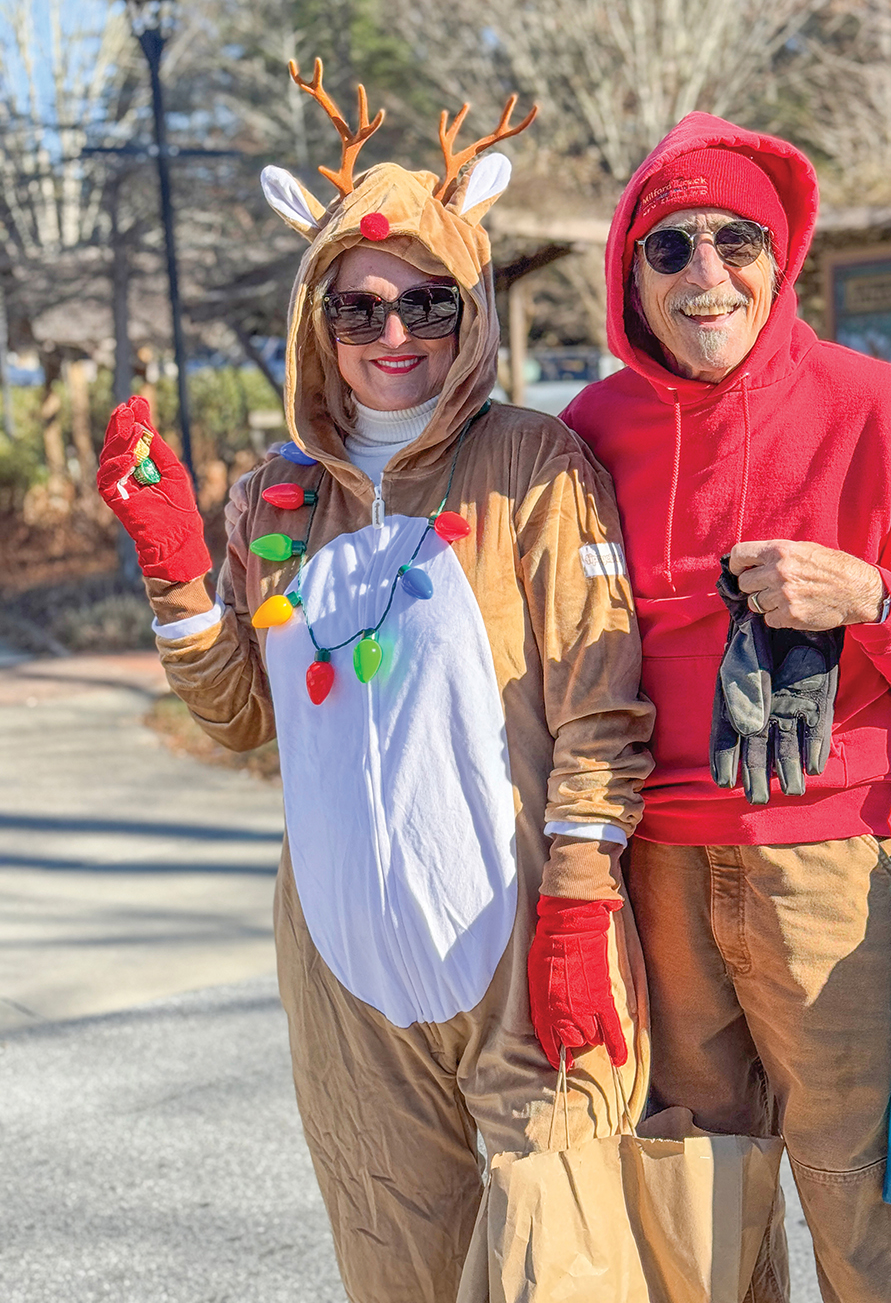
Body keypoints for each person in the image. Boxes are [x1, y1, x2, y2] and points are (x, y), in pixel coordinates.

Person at [97, 63, 655, 1303]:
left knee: (555, 1270)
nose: (394, 336)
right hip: (347, 979)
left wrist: (576, 907)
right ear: (316, 320)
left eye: (430, 305)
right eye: (358, 310)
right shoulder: (278, 497)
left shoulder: (532, 463)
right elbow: (245, 719)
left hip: (527, 957)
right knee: (396, 1273)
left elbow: (603, 701)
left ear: (474, 314)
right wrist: (180, 571)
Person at [561, 113, 891, 1303]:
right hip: (655, 871)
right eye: (669, 249)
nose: (706, 275)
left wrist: (870, 594)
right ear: (630, 275)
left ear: (782, 254)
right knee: (695, 1198)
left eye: (736, 240)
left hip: (834, 869)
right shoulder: (589, 434)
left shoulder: (885, 409)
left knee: (868, 1196)